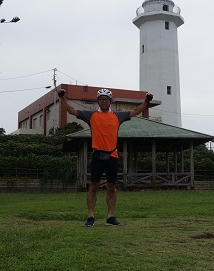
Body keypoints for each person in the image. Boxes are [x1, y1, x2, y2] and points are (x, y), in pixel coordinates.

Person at [58, 87, 153, 227]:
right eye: (101, 99)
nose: (103, 101)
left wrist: (147, 101)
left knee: (111, 187)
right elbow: (71, 110)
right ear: (98, 101)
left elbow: (136, 111)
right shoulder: (91, 115)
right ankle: (90, 217)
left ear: (110, 101)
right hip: (97, 155)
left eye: (106, 99)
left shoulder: (117, 115)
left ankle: (110, 217)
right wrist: (62, 97)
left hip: (112, 156)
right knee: (93, 186)